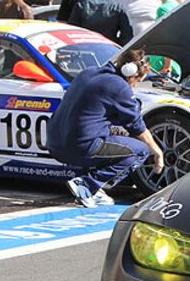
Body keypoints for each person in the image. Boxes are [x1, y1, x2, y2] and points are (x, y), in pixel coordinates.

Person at [48, 49, 164, 207]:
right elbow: (137, 126)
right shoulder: (119, 87)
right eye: (137, 81)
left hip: (54, 143)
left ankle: (92, 187)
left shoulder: (88, 72)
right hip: (78, 147)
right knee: (141, 150)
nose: (135, 86)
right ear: (131, 75)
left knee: (106, 139)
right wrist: (157, 152)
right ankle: (89, 186)